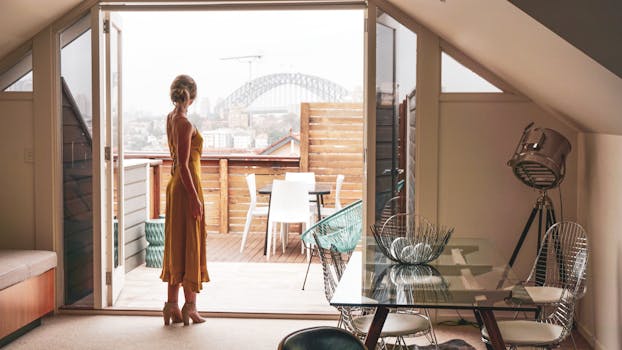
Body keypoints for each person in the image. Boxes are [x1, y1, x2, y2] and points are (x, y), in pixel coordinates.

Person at [160, 74, 209, 326]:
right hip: (185, 188)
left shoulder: (170, 118)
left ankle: (171, 306)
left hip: (175, 187)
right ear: (193, 96)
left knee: (177, 244)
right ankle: (190, 307)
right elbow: (183, 165)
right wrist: (194, 198)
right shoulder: (185, 124)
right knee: (189, 245)